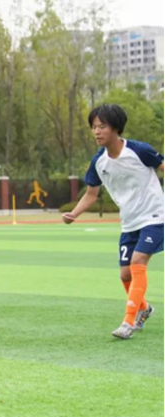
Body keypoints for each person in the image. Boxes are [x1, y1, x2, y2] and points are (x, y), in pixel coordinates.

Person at [62, 104, 163, 339]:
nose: (97, 132)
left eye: (102, 126)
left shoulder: (139, 150)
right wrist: (74, 214)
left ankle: (129, 322)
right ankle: (145, 308)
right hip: (129, 222)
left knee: (138, 261)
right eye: (94, 127)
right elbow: (91, 194)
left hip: (155, 216)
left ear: (116, 127)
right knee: (125, 275)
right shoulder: (99, 162)